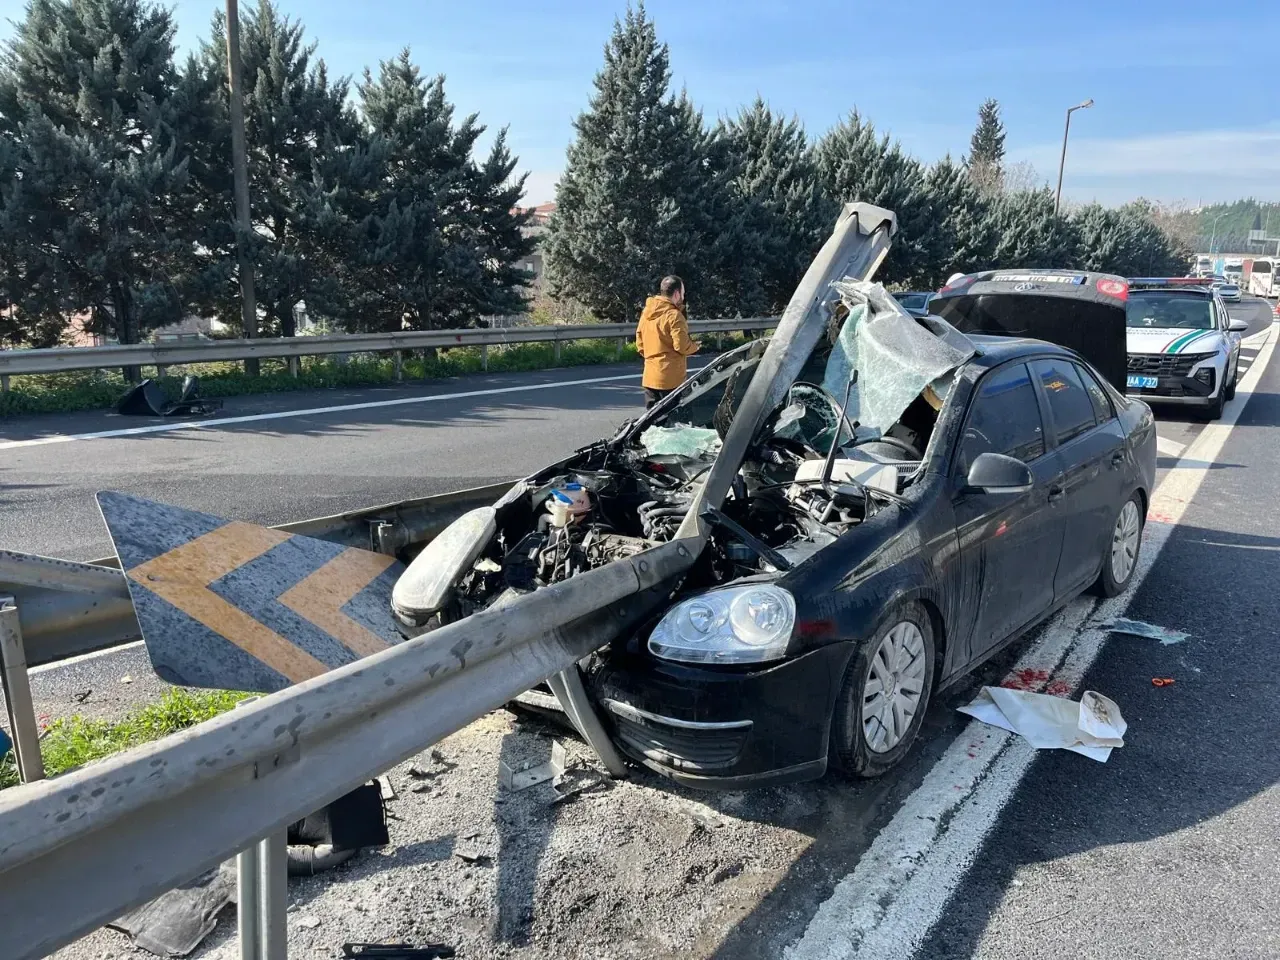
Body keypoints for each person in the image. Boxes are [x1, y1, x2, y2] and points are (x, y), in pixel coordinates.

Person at [635, 275, 699, 408]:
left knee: (652, 421)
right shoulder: (674, 315)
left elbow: (640, 344)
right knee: (673, 422)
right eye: (682, 293)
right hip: (671, 379)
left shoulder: (647, 313)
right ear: (676, 294)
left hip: (650, 377)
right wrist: (695, 346)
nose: (683, 296)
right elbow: (681, 346)